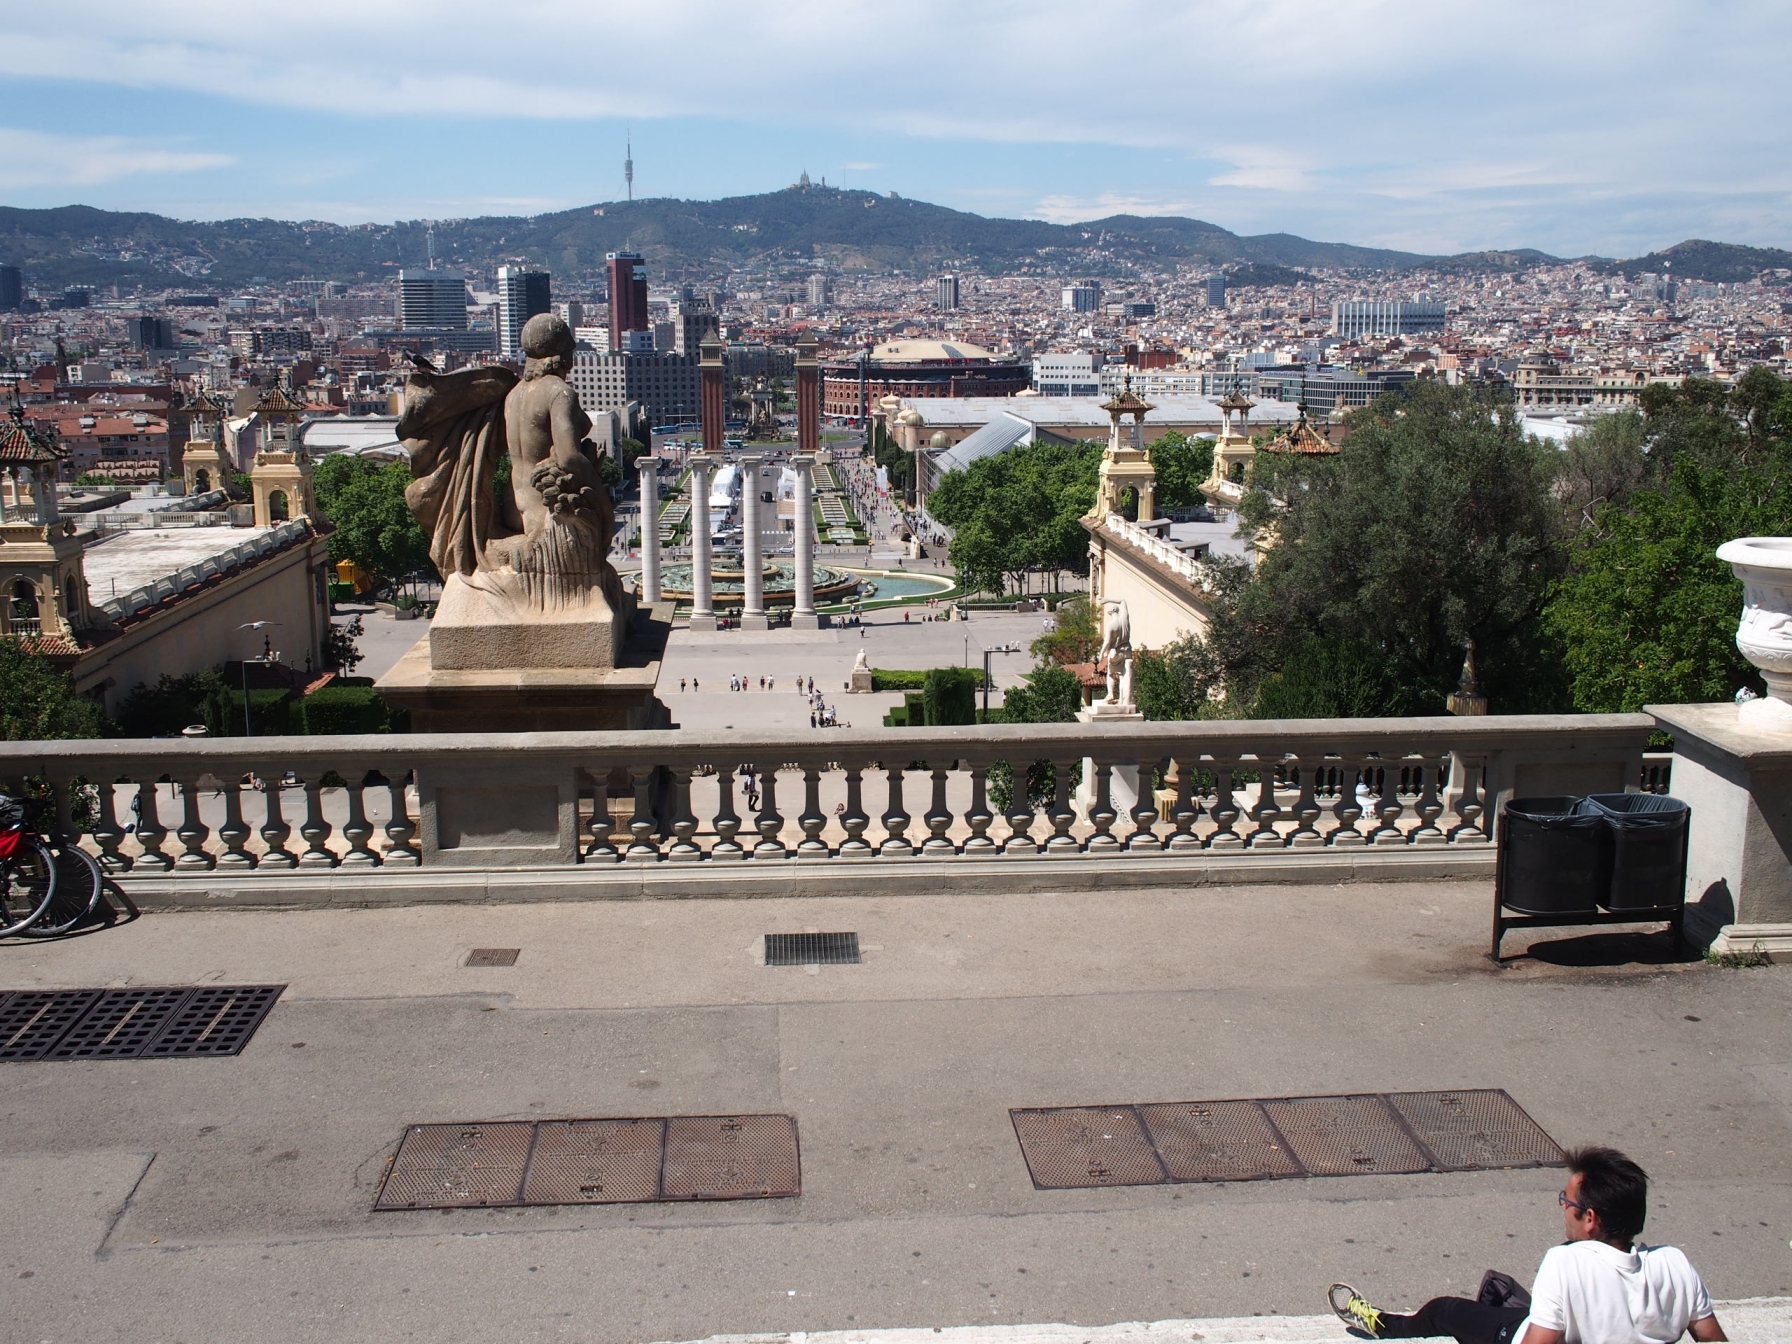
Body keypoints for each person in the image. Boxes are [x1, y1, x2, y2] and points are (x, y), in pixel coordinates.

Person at [1330, 1147, 1725, 1344]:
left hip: (1517, 1333)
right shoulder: (1675, 1263)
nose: (1563, 1208)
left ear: (1590, 1219)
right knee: (1507, 1300)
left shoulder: (1566, 1262)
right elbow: (1713, 1338)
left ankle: (1381, 1324)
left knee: (1445, 1311)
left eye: (1567, 1202)